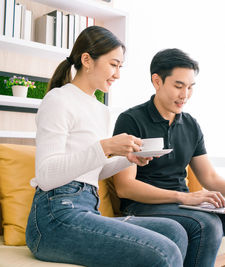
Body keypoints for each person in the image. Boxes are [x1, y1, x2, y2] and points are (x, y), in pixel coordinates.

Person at [25, 27, 188, 267]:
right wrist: (105, 146)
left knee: (175, 231)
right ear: (87, 60)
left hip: (88, 209)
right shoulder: (58, 99)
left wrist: (127, 159)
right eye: (114, 65)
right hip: (54, 217)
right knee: (163, 252)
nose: (118, 74)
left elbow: (91, 172)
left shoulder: (100, 110)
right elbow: (47, 176)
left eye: (121, 67)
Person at [113, 48, 225, 267]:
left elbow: (209, 177)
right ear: (157, 81)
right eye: (178, 86)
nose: (185, 94)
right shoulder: (131, 120)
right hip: (143, 207)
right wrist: (183, 197)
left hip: (183, 207)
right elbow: (125, 187)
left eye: (190, 87)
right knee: (207, 224)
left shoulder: (190, 124)